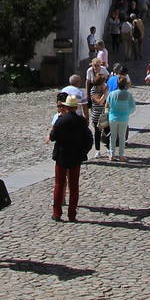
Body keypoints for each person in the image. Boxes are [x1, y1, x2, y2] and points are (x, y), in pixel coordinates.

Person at [48, 92, 91, 221]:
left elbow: (52, 137)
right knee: (74, 186)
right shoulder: (82, 121)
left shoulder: (61, 120)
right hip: (76, 156)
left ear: (66, 107)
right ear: (76, 107)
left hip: (62, 156)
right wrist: (83, 152)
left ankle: (57, 213)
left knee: (59, 184)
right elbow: (89, 139)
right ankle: (72, 214)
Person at [108, 75, 137, 161]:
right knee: (122, 137)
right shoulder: (128, 95)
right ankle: (121, 155)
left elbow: (108, 105)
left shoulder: (112, 94)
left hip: (113, 117)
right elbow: (133, 107)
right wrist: (127, 113)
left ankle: (112, 154)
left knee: (113, 136)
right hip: (123, 118)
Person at [87, 75, 111, 160]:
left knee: (107, 132)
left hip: (105, 114)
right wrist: (105, 92)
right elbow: (100, 101)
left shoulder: (104, 88)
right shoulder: (93, 90)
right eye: (103, 82)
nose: (105, 83)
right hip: (97, 115)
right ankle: (98, 151)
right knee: (97, 133)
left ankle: (109, 149)